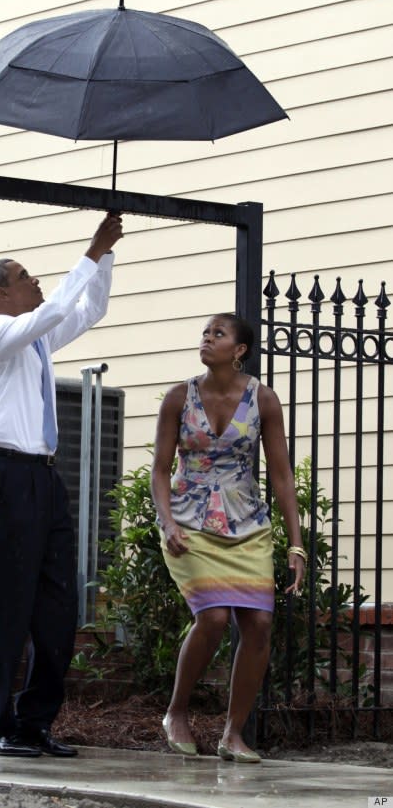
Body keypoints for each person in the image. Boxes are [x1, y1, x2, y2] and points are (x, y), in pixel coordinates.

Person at [0, 211, 124, 758]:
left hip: (42, 478)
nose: (36, 282)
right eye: (25, 277)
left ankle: (33, 724)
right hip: (5, 475)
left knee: (58, 609)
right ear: (1, 293)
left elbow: (89, 309)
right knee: (7, 604)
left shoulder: (33, 340)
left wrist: (105, 256)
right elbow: (60, 304)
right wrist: (90, 247)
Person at [151, 313, 306, 763]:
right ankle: (176, 711)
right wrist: (166, 522)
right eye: (205, 332)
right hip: (189, 522)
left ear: (239, 350)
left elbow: (281, 474)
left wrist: (295, 543)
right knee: (215, 617)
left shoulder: (264, 400)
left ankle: (233, 734)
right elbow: (161, 469)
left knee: (257, 624)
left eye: (218, 334)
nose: (207, 338)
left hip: (247, 526)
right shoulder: (180, 397)